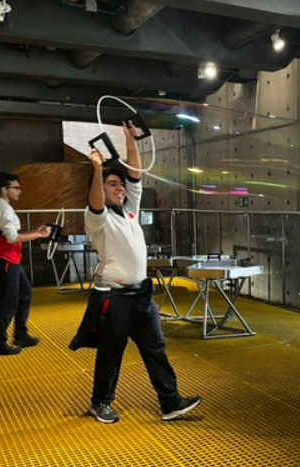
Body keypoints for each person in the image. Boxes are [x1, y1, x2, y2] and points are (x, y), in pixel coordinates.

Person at [69, 122, 201, 423]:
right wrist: (97, 170)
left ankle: (170, 402)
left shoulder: (130, 211)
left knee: (156, 348)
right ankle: (100, 403)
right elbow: (95, 202)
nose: (119, 188)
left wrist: (130, 140)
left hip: (141, 295)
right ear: (101, 189)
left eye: (119, 184)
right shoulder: (97, 219)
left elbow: (135, 176)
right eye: (112, 184)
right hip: (114, 297)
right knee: (111, 353)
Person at [0, 172, 51, 356]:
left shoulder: (1, 206)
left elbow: (12, 234)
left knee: (24, 294)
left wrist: (35, 231)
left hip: (10, 259)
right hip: (5, 260)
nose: (19, 191)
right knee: (8, 302)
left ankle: (20, 334)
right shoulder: (3, 209)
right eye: (15, 188)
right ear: (4, 189)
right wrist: (39, 234)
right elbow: (13, 238)